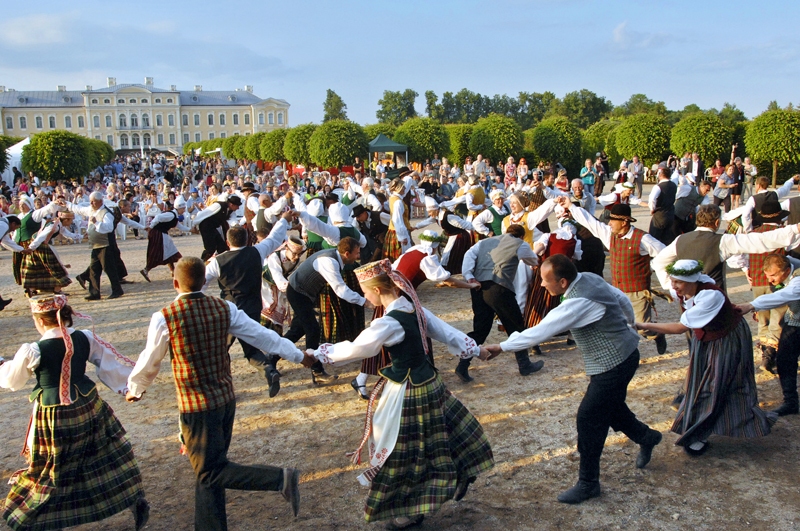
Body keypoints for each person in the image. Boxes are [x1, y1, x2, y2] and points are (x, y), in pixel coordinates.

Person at [301, 259, 495, 528]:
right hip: (430, 382)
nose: (366, 298)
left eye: (365, 292)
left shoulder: (389, 322)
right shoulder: (413, 308)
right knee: (444, 431)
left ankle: (410, 509)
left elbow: (358, 349)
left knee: (407, 450)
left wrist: (315, 354)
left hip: (409, 391)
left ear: (377, 290)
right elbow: (446, 332)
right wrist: (477, 350)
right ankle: (462, 469)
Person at [126, 257, 304, 531]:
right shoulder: (224, 308)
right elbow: (262, 336)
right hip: (224, 400)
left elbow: (150, 359)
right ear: (204, 281)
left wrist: (136, 388)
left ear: (175, 283)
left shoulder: (165, 316)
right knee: (211, 469)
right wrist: (298, 355)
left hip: (196, 407)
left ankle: (279, 479)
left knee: (209, 472)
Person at [485, 255, 662, 504]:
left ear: (563, 282)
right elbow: (621, 298)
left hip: (615, 363)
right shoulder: (588, 278)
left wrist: (502, 347)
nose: (542, 285)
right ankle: (647, 437)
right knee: (609, 408)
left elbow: (541, 330)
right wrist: (628, 324)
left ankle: (589, 483)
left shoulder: (578, 302)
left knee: (589, 418)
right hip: (622, 355)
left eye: (545, 280)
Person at [0, 294, 149, 531]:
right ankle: (131, 497)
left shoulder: (33, 350)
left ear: (40, 320)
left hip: (54, 416)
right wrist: (129, 388)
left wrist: (1, 363)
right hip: (88, 407)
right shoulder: (84, 337)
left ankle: (44, 518)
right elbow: (108, 364)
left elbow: (12, 381)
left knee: (53, 468)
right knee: (104, 455)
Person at [638, 260, 775, 455]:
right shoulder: (690, 288)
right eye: (673, 280)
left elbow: (680, 328)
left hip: (726, 338)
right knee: (702, 378)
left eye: (678, 282)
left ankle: (700, 433)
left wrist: (644, 325)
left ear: (692, 281)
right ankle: (694, 413)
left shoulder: (710, 295)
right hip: (708, 338)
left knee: (715, 383)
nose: (673, 286)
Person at [560, 199, 669, 354]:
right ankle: (628, 357)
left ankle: (656, 333)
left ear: (624, 222)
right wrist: (571, 206)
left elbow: (665, 253)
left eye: (613, 220)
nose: (609, 223)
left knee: (641, 326)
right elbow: (590, 221)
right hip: (617, 291)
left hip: (637, 291)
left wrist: (653, 268)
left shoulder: (642, 239)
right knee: (622, 327)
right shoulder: (609, 234)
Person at [204, 214, 294, 396]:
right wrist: (284, 219)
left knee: (221, 349)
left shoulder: (217, 262)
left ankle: (222, 384)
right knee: (250, 347)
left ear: (228, 242)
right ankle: (269, 370)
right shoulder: (257, 252)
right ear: (247, 240)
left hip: (229, 310)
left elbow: (200, 283)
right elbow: (274, 238)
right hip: (252, 308)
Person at [457, 225, 545, 382]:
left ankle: (462, 366)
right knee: (515, 326)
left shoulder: (484, 242)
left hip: (478, 287)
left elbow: (469, 255)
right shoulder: (520, 244)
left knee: (480, 329)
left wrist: (469, 276)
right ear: (522, 236)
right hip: (499, 288)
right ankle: (524, 364)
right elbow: (532, 260)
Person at [653, 204, 800, 293]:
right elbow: (758, 241)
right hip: (714, 297)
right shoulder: (722, 241)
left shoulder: (680, 240)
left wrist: (671, 286)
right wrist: (794, 229)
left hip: (687, 298)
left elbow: (658, 262)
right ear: (717, 222)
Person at [284, 237, 366, 384]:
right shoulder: (329, 261)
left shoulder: (334, 257)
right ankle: (317, 371)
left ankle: (271, 357)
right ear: (347, 253)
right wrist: (365, 302)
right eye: (356, 253)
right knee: (313, 329)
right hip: (297, 293)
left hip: (303, 294)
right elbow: (341, 290)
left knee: (298, 330)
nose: (358, 256)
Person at [737, 254, 800, 416]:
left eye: (773, 276)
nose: (770, 280)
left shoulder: (798, 277)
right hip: (795, 320)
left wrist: (751, 305)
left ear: (787, 271)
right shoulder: (786, 262)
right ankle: (791, 402)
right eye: (767, 275)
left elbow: (786, 294)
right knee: (784, 359)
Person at [68, 192, 124, 300]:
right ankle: (94, 293)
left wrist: (96, 223)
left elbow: (109, 228)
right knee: (94, 270)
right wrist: (66, 203)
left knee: (109, 269)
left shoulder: (106, 213)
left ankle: (117, 290)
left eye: (93, 202)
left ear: (100, 201)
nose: (91, 204)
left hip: (105, 245)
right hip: (96, 245)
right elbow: (79, 209)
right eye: (91, 201)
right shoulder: (92, 210)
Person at [11, 195, 69, 296]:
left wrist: (53, 204)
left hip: (32, 245)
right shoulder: (19, 216)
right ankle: (30, 288)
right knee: (25, 268)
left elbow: (45, 210)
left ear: (29, 205)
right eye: (20, 205)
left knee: (38, 267)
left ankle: (53, 287)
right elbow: (15, 232)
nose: (21, 206)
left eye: (23, 204)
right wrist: (13, 243)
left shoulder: (34, 214)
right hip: (20, 246)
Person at [140, 200, 190, 281]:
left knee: (170, 251)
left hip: (162, 234)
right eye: (183, 208)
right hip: (158, 234)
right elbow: (158, 217)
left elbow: (180, 227)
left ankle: (173, 271)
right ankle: (146, 269)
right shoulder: (171, 215)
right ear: (179, 208)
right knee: (157, 253)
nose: (184, 210)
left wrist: (190, 230)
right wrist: (151, 227)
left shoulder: (174, 216)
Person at [193, 194, 242, 260]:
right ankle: (202, 262)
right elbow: (203, 214)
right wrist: (194, 225)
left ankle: (222, 262)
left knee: (222, 247)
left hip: (213, 228)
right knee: (210, 248)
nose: (238, 208)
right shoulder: (218, 206)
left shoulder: (231, 211)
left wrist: (237, 226)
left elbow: (233, 220)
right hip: (205, 226)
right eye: (237, 206)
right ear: (231, 205)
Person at [648, 167, 677, 245]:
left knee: (654, 238)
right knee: (667, 238)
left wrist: (652, 209)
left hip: (660, 214)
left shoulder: (658, 187)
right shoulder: (674, 185)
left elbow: (652, 199)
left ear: (660, 175)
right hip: (670, 213)